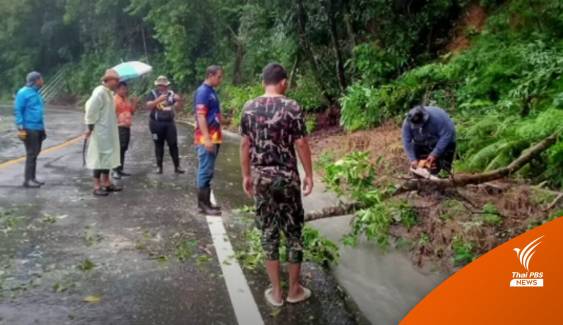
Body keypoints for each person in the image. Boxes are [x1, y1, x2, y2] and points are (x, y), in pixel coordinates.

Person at [240, 63, 314, 307]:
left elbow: (245, 145)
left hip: (262, 180)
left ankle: (276, 293)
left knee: (269, 234)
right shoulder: (292, 106)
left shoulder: (249, 108)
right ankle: (294, 290)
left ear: (264, 82)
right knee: (293, 234)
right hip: (288, 180)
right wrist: (309, 175)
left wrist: (246, 175)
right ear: (283, 82)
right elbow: (301, 143)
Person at [84, 69, 123, 197]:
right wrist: (90, 127)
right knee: (99, 157)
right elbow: (90, 110)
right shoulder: (99, 92)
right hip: (101, 131)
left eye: (118, 80)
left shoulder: (109, 93)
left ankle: (106, 182)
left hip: (109, 130)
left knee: (108, 157)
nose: (117, 82)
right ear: (108, 80)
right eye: (115, 80)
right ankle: (96, 185)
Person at [194, 66, 224, 216]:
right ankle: (202, 205)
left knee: (209, 170)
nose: (220, 80)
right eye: (219, 77)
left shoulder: (211, 91)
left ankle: (207, 203)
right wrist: (207, 139)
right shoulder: (203, 92)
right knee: (205, 170)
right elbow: (201, 116)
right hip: (207, 138)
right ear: (210, 75)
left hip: (215, 136)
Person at [146, 76, 185, 175]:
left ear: (167, 85)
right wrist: (158, 100)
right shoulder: (152, 93)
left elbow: (179, 108)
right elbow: (148, 106)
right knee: (158, 144)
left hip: (169, 123)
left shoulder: (171, 94)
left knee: (173, 144)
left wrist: (179, 100)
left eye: (164, 85)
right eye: (160, 85)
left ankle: (177, 166)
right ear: (157, 85)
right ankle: (159, 167)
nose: (162, 87)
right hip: (155, 123)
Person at [14, 71, 47, 188]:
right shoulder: (23, 93)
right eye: (41, 79)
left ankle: (32, 178)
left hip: (38, 127)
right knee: (31, 153)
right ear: (35, 80)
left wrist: (43, 129)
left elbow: (39, 112)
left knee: (36, 152)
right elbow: (18, 110)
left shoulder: (36, 93)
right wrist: (20, 126)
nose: (42, 81)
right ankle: (28, 180)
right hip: (29, 127)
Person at [402, 105, 456, 175]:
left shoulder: (438, 118)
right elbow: (406, 141)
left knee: (443, 170)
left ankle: (444, 180)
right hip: (421, 143)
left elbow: (446, 135)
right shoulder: (407, 123)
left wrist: (435, 154)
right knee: (418, 170)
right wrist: (412, 159)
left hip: (444, 142)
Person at [112, 81, 137, 179]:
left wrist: (134, 103)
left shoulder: (126, 99)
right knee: (119, 148)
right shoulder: (114, 99)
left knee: (124, 148)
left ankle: (120, 169)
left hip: (127, 126)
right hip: (118, 126)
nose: (124, 91)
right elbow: (111, 113)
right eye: (122, 89)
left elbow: (132, 112)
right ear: (117, 89)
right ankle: (115, 170)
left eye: (125, 89)